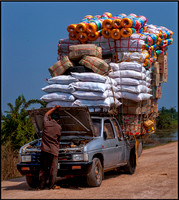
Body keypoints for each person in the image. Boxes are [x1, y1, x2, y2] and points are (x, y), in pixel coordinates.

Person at [38, 105, 62, 190]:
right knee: (53, 169)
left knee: (43, 169)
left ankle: (41, 186)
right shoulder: (59, 127)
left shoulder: (46, 123)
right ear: (58, 120)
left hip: (44, 150)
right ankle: (51, 186)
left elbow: (46, 114)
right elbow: (59, 139)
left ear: (51, 118)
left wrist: (54, 108)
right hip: (53, 151)